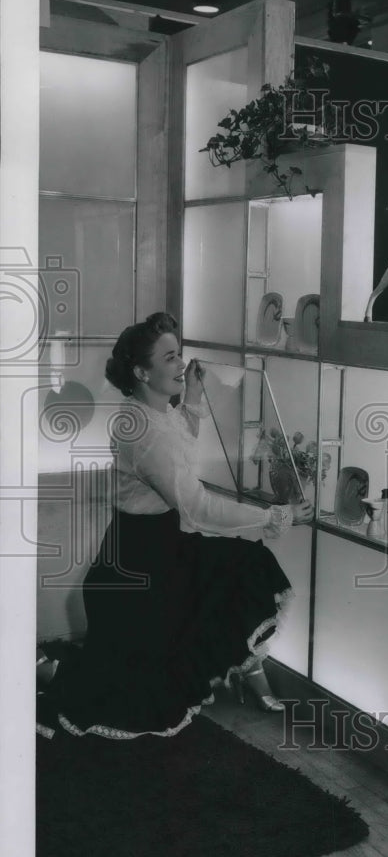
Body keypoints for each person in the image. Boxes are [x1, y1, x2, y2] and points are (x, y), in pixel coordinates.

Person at [39, 312, 313, 740]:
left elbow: (177, 442)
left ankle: (246, 671)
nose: (181, 364)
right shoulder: (144, 432)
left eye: (180, 354)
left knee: (244, 568)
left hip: (156, 548)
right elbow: (195, 506)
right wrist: (274, 515)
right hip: (141, 565)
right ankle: (51, 672)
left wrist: (194, 402)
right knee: (131, 693)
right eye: (170, 357)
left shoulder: (148, 413)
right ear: (141, 371)